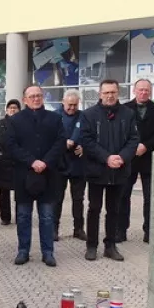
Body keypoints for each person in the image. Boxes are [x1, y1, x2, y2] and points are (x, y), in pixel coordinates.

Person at [3, 85, 66, 267]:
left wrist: (45, 162)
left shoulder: (55, 118)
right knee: (23, 216)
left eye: (39, 95)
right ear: (25, 100)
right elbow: (11, 145)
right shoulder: (15, 120)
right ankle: (23, 251)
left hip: (48, 174)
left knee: (47, 216)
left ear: (43, 97)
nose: (36, 99)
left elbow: (60, 142)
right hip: (24, 174)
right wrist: (32, 161)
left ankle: (48, 252)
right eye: (32, 96)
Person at [79, 79, 139, 262]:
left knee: (114, 210)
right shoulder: (89, 115)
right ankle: (91, 246)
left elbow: (134, 139)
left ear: (118, 92)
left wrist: (122, 157)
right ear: (100, 94)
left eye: (113, 92)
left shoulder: (128, 114)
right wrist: (106, 158)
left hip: (119, 170)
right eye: (106, 93)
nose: (110, 96)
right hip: (97, 170)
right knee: (94, 209)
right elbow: (87, 141)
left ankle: (110, 246)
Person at [120, 78, 154, 243]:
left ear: (150, 91)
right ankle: (120, 230)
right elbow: (120, 133)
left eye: (146, 90)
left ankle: (149, 231)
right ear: (134, 91)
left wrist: (146, 146)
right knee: (123, 195)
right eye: (140, 89)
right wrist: (133, 148)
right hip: (129, 159)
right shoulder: (125, 109)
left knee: (151, 197)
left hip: (149, 159)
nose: (143, 92)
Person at [54, 90, 87, 241]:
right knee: (57, 198)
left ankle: (78, 229)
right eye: (69, 105)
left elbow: (89, 135)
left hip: (78, 163)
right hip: (60, 164)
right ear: (63, 102)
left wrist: (84, 146)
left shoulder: (83, 116)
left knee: (78, 199)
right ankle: (54, 229)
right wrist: (63, 143)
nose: (72, 108)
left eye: (75, 105)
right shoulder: (54, 116)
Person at [0, 99, 20, 225]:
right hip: (2, 163)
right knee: (4, 192)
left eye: (15, 108)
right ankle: (5, 217)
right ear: (6, 110)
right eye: (10, 108)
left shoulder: (23, 124)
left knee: (20, 193)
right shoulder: (0, 124)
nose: (12, 110)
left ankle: (20, 217)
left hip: (18, 163)